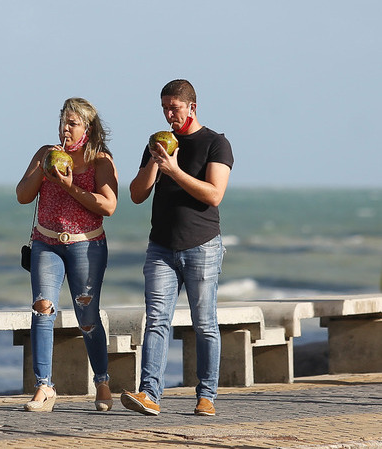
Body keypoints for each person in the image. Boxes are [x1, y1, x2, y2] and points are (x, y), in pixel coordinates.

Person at [122, 79, 234, 417]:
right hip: (161, 247)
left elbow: (214, 194)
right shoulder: (157, 144)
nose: (169, 114)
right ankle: (150, 394)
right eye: (164, 108)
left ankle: (206, 395)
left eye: (175, 107)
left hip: (202, 246)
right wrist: (158, 162)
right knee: (156, 320)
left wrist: (175, 169)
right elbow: (137, 194)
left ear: (192, 107)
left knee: (204, 323)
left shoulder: (215, 143)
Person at [16, 97, 118, 412]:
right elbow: (22, 195)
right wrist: (45, 169)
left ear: (87, 127)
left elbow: (109, 206)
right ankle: (44, 386)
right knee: (42, 308)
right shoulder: (47, 154)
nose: (65, 129)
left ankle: (102, 381)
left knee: (87, 317)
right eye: (63, 122)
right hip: (46, 243)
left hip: (86, 244)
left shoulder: (100, 160)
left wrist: (71, 186)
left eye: (72, 123)